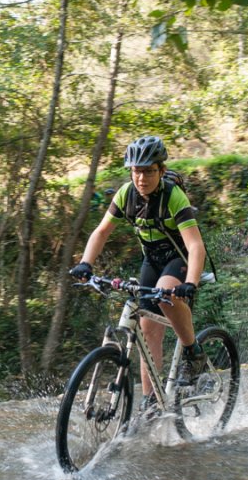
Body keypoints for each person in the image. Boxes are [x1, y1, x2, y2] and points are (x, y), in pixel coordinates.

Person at [69, 136, 207, 414]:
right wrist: (86, 263)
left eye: (149, 171)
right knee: (147, 331)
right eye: (136, 171)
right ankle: (151, 402)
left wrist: (190, 282)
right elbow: (101, 232)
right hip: (151, 261)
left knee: (167, 292)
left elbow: (195, 245)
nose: (142, 178)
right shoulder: (126, 194)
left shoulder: (173, 196)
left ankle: (193, 353)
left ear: (161, 171)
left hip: (178, 259)